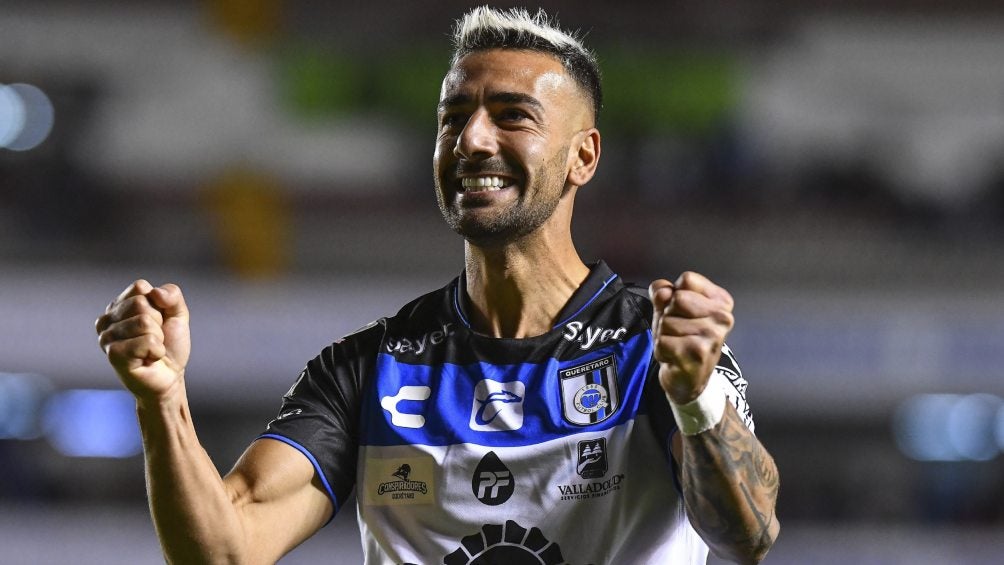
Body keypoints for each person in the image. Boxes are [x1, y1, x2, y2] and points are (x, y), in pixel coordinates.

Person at [95, 6, 779, 564]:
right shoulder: (369, 368)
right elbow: (225, 550)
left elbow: (749, 535)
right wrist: (162, 400)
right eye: (453, 117)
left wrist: (694, 398)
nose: (471, 140)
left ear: (583, 156)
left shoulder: (655, 349)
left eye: (512, 115)